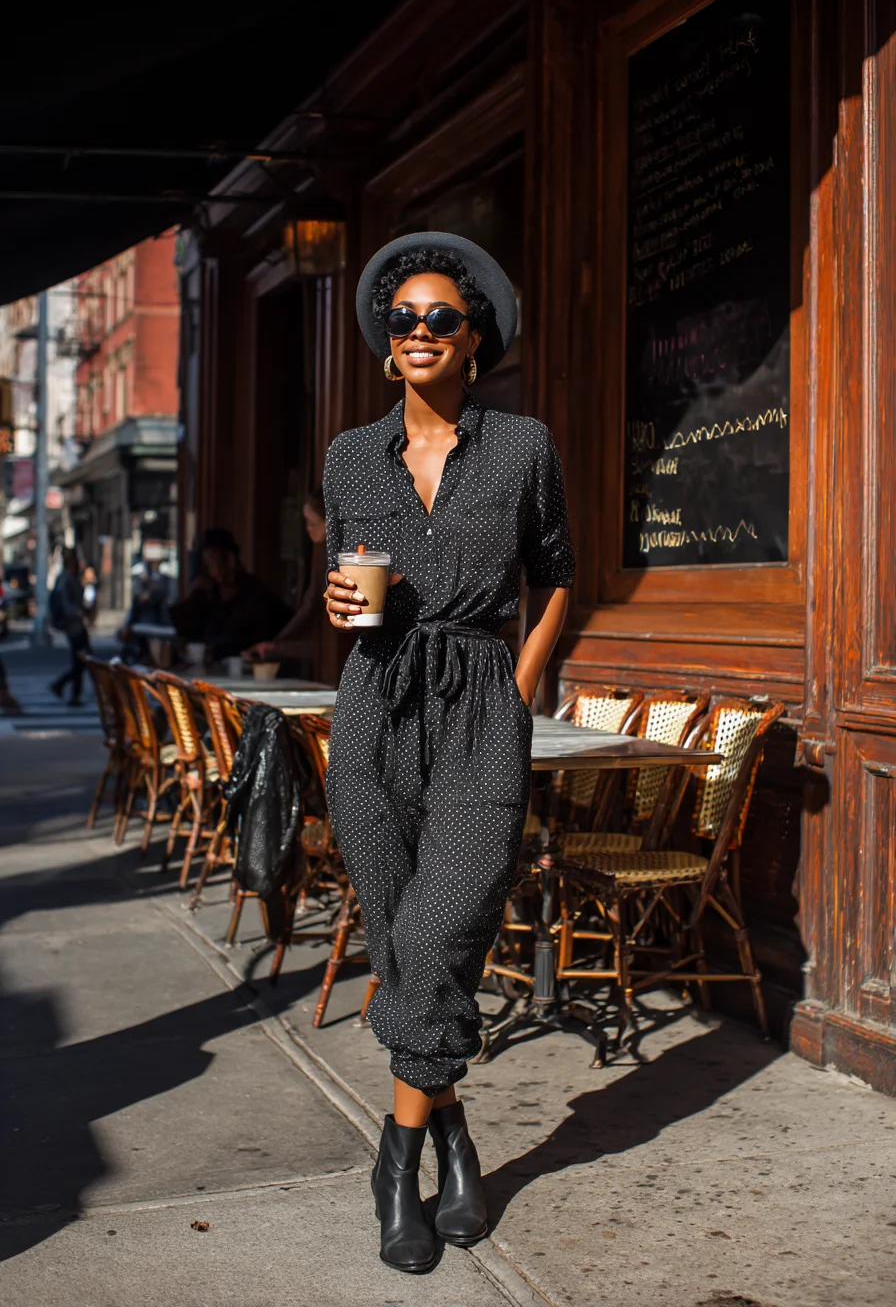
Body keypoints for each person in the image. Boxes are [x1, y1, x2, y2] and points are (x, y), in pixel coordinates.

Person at [323, 232, 574, 1273]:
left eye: (439, 319)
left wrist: (516, 692)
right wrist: (341, 605)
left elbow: (560, 575)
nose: (418, 332)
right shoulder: (347, 456)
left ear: (475, 340)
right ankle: (456, 1138)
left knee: (435, 934)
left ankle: (396, 1159)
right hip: (373, 708)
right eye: (402, 320)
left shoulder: (522, 448)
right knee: (399, 933)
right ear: (386, 343)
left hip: (480, 711)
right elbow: (342, 580)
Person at [169, 527, 292, 662]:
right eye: (208, 563)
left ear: (230, 558)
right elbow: (187, 631)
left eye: (214, 560)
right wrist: (195, 593)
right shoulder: (208, 593)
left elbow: (244, 637)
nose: (212, 568)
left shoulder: (253, 592)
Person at [244, 488, 328, 663]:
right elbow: (311, 602)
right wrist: (279, 642)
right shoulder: (320, 550)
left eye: (312, 523)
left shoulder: (335, 551)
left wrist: (279, 644)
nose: (308, 529)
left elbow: (312, 604)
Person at [49, 548, 91, 707]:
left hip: (75, 624)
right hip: (74, 625)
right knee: (83, 659)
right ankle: (65, 688)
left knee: (82, 660)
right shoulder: (67, 578)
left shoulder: (69, 577)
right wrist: (79, 613)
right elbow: (67, 603)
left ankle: (66, 688)